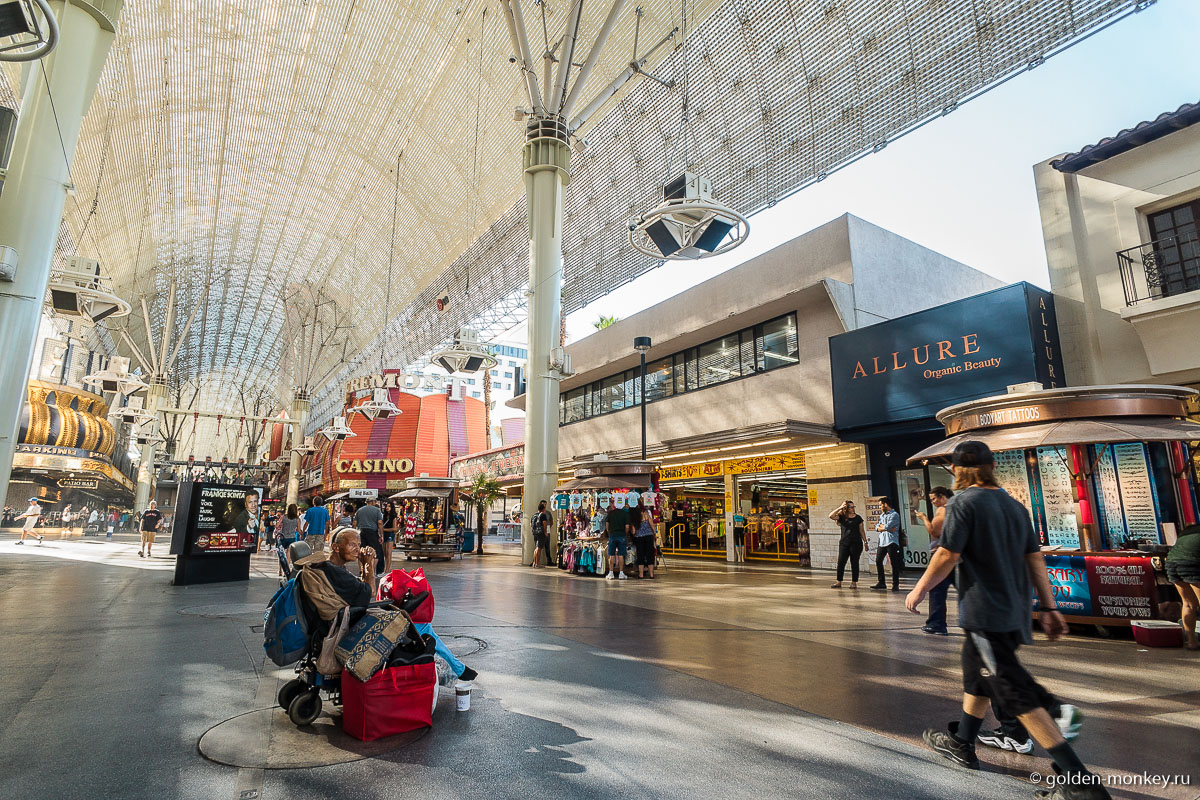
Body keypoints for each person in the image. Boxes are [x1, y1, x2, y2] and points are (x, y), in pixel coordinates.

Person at [906, 441, 1108, 800]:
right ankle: (962, 742)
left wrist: (920, 588)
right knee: (978, 675)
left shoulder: (962, 503)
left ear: (956, 470)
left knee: (1012, 691)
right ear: (992, 465)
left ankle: (1078, 780)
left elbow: (948, 554)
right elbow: (1035, 559)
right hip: (1014, 611)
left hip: (985, 613)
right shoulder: (1015, 507)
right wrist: (1048, 606)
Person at [915, 487, 953, 633]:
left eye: (934, 499)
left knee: (936, 588)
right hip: (957, 554)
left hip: (942, 553)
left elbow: (934, 531)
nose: (933, 502)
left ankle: (936, 624)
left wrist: (924, 518)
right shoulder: (959, 507)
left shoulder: (943, 509)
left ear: (942, 496)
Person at [1166, 522, 1200, 650]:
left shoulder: (1190, 530)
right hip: (1192, 563)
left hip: (1172, 563)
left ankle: (1192, 642)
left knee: (1188, 603)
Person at [829, 500, 868, 589]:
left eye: (854, 507)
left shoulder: (858, 518)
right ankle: (839, 581)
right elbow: (831, 516)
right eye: (851, 507)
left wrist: (865, 542)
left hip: (856, 543)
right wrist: (840, 507)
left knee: (854, 562)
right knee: (841, 562)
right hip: (844, 543)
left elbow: (861, 531)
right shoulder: (842, 517)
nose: (853, 509)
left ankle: (854, 582)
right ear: (846, 508)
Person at [870, 496, 903, 592]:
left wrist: (884, 527)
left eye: (880, 505)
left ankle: (895, 584)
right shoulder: (882, 516)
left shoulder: (894, 515)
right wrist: (883, 528)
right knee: (878, 560)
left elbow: (888, 526)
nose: (880, 507)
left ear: (886, 504)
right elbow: (877, 527)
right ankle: (881, 582)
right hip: (882, 541)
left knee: (894, 563)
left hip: (891, 541)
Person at [355, 497, 385, 576]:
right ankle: (371, 571)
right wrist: (381, 535)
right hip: (372, 532)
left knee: (361, 551)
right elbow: (379, 523)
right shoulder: (377, 510)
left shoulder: (359, 510)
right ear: (373, 502)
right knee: (376, 552)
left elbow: (354, 523)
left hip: (361, 532)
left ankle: (361, 571)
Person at [605, 501, 630, 580]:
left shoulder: (610, 513)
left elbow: (607, 526)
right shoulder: (625, 514)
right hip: (622, 535)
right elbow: (627, 526)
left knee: (611, 554)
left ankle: (611, 572)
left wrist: (610, 532)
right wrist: (625, 534)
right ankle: (621, 573)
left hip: (612, 535)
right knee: (621, 554)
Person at [277, 503, 300, 578]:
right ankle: (285, 571)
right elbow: (298, 530)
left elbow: (277, 526)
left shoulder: (283, 517)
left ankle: (280, 570)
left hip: (283, 537)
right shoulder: (297, 519)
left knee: (282, 554)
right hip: (292, 537)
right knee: (288, 555)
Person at [632, 507, 656, 579]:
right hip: (649, 537)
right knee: (650, 555)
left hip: (639, 538)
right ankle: (651, 574)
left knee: (640, 555)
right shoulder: (646, 515)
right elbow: (652, 525)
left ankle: (641, 574)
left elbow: (633, 531)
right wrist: (654, 534)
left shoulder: (634, 518)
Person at [530, 500, 552, 568]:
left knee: (536, 548)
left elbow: (530, 524)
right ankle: (537, 563)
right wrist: (545, 532)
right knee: (539, 549)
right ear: (543, 509)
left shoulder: (534, 515)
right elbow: (544, 524)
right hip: (541, 533)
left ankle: (534, 562)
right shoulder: (543, 515)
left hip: (535, 533)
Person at [382, 500, 399, 573]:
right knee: (385, 553)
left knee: (388, 553)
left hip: (390, 535)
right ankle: (386, 568)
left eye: (389, 506)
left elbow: (394, 528)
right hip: (384, 535)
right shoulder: (384, 516)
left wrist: (384, 529)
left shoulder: (393, 517)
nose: (387, 508)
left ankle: (387, 570)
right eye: (386, 506)